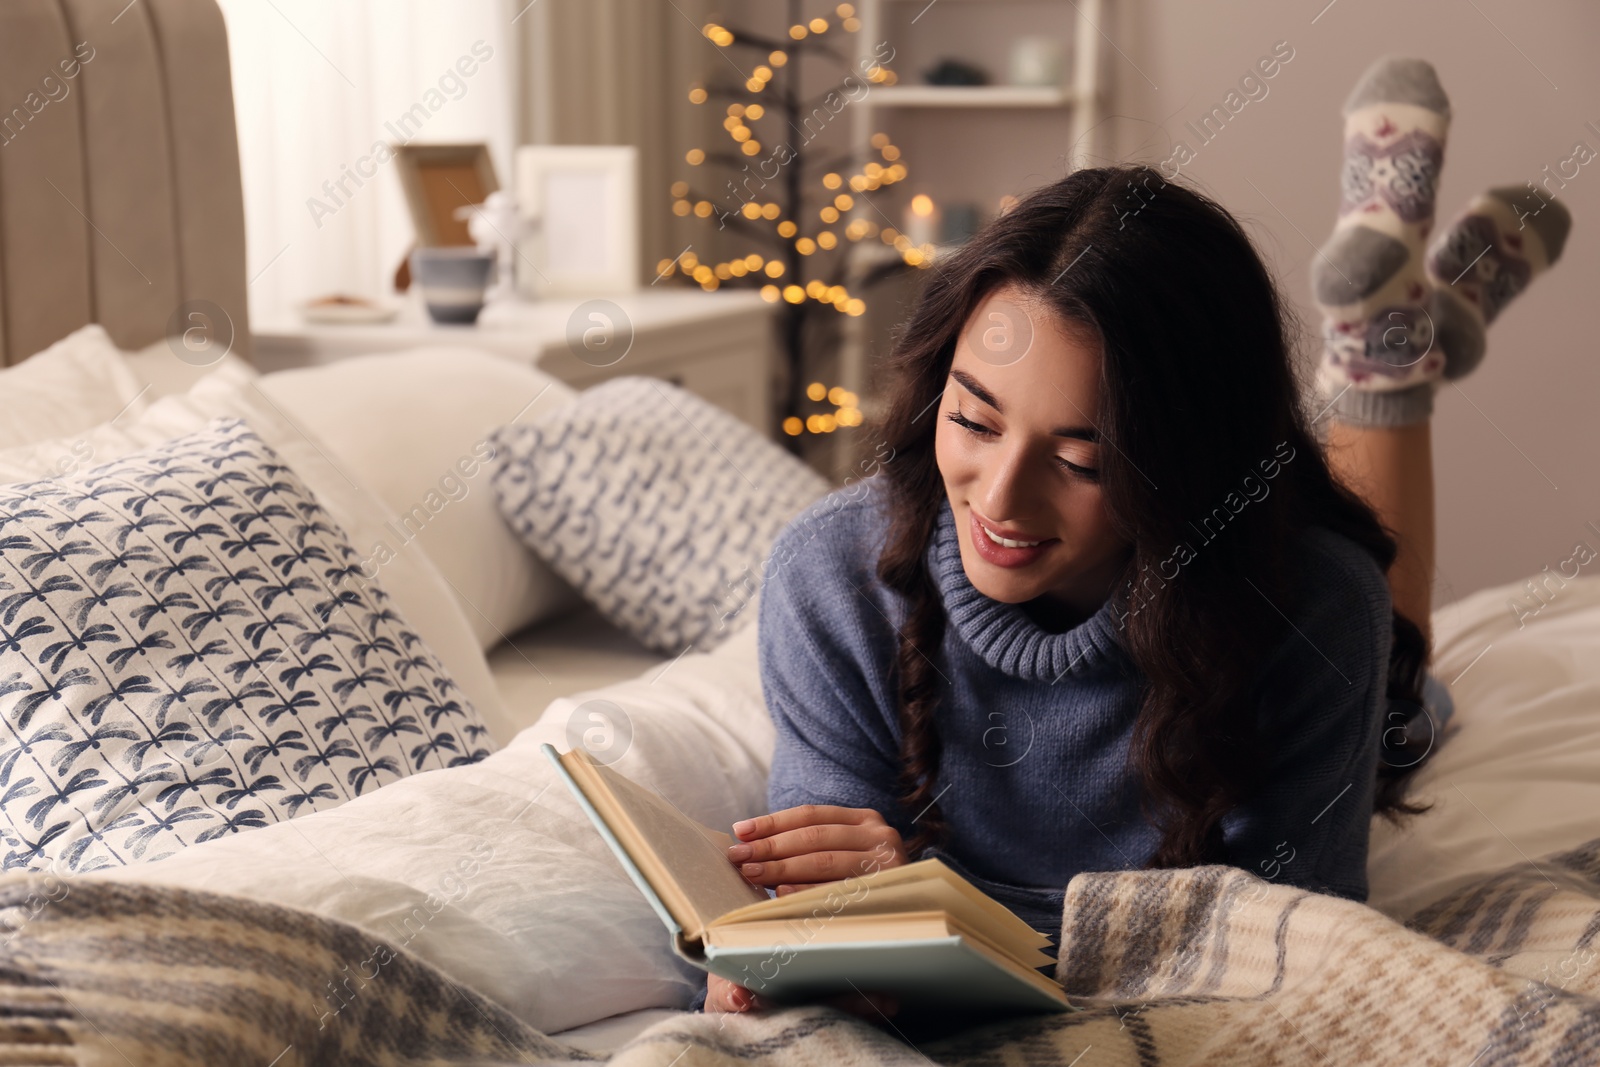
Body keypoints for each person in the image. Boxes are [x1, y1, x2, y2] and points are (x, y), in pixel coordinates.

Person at [698, 55, 1571, 1016]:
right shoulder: (829, 572)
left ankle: (1382, 361)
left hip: (1282, 602)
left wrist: (940, 897)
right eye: (975, 419)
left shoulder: (1316, 608)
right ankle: (1398, 334)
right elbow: (822, 891)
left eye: (1082, 461)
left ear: (1190, 466)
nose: (999, 496)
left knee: (1402, 663)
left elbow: (1294, 934)